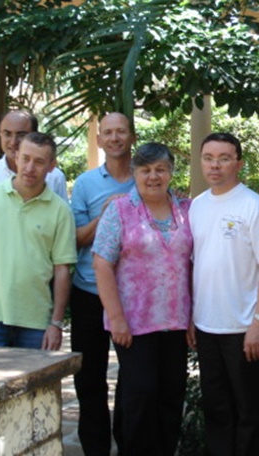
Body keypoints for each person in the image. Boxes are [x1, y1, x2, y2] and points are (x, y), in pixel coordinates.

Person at [93, 142, 192, 455]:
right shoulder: (120, 210)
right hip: (134, 323)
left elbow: (196, 265)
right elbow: (102, 264)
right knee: (141, 394)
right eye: (146, 170)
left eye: (161, 169)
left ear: (171, 173)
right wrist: (116, 317)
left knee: (171, 395)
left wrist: (194, 316)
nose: (153, 176)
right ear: (134, 173)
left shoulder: (187, 210)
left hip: (176, 320)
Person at [188, 133, 259, 455]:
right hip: (206, 325)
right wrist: (191, 317)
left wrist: (258, 322)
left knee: (249, 409)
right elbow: (195, 264)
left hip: (243, 328)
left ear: (238, 164)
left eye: (224, 158)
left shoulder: (253, 205)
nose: (215, 165)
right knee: (216, 408)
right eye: (208, 158)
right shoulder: (196, 206)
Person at [0, 132, 76, 349]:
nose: (30, 167)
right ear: (16, 157)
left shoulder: (60, 211)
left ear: (52, 166)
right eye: (26, 158)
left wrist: (56, 323)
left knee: (38, 374)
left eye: (39, 162)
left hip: (36, 321)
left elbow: (62, 269)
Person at [70, 112, 135, 456]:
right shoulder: (85, 184)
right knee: (89, 379)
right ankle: (95, 448)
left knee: (133, 379)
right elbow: (77, 239)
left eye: (120, 131)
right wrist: (106, 214)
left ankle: (127, 444)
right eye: (107, 133)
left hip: (132, 296)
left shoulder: (145, 176)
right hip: (89, 293)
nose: (114, 138)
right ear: (98, 140)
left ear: (131, 136)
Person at [0, 110, 68, 203]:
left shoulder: (55, 177)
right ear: (0, 134)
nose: (13, 142)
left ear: (34, 135)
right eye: (7, 134)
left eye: (21, 135)